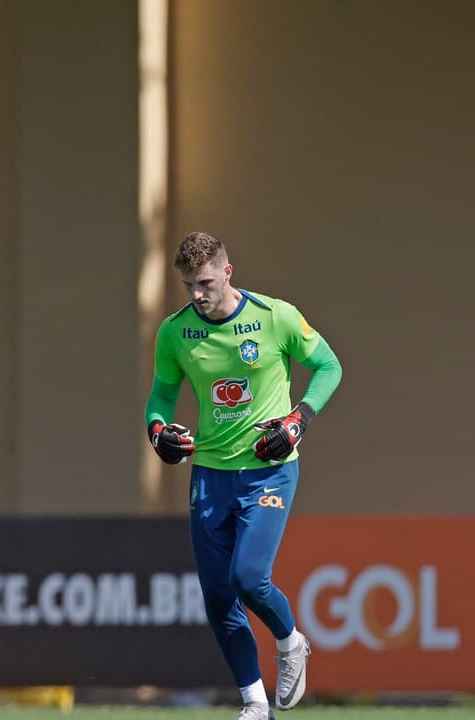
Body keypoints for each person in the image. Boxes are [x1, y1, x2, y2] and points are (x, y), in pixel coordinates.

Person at [145, 232, 342, 720]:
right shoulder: (174, 332)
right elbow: (161, 397)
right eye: (189, 284)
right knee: (216, 596)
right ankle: (255, 704)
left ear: (227, 273)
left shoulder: (275, 317)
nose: (197, 294)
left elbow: (328, 367)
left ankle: (291, 642)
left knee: (249, 578)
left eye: (206, 282)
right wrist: (157, 433)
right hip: (210, 473)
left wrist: (297, 423)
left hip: (269, 470)